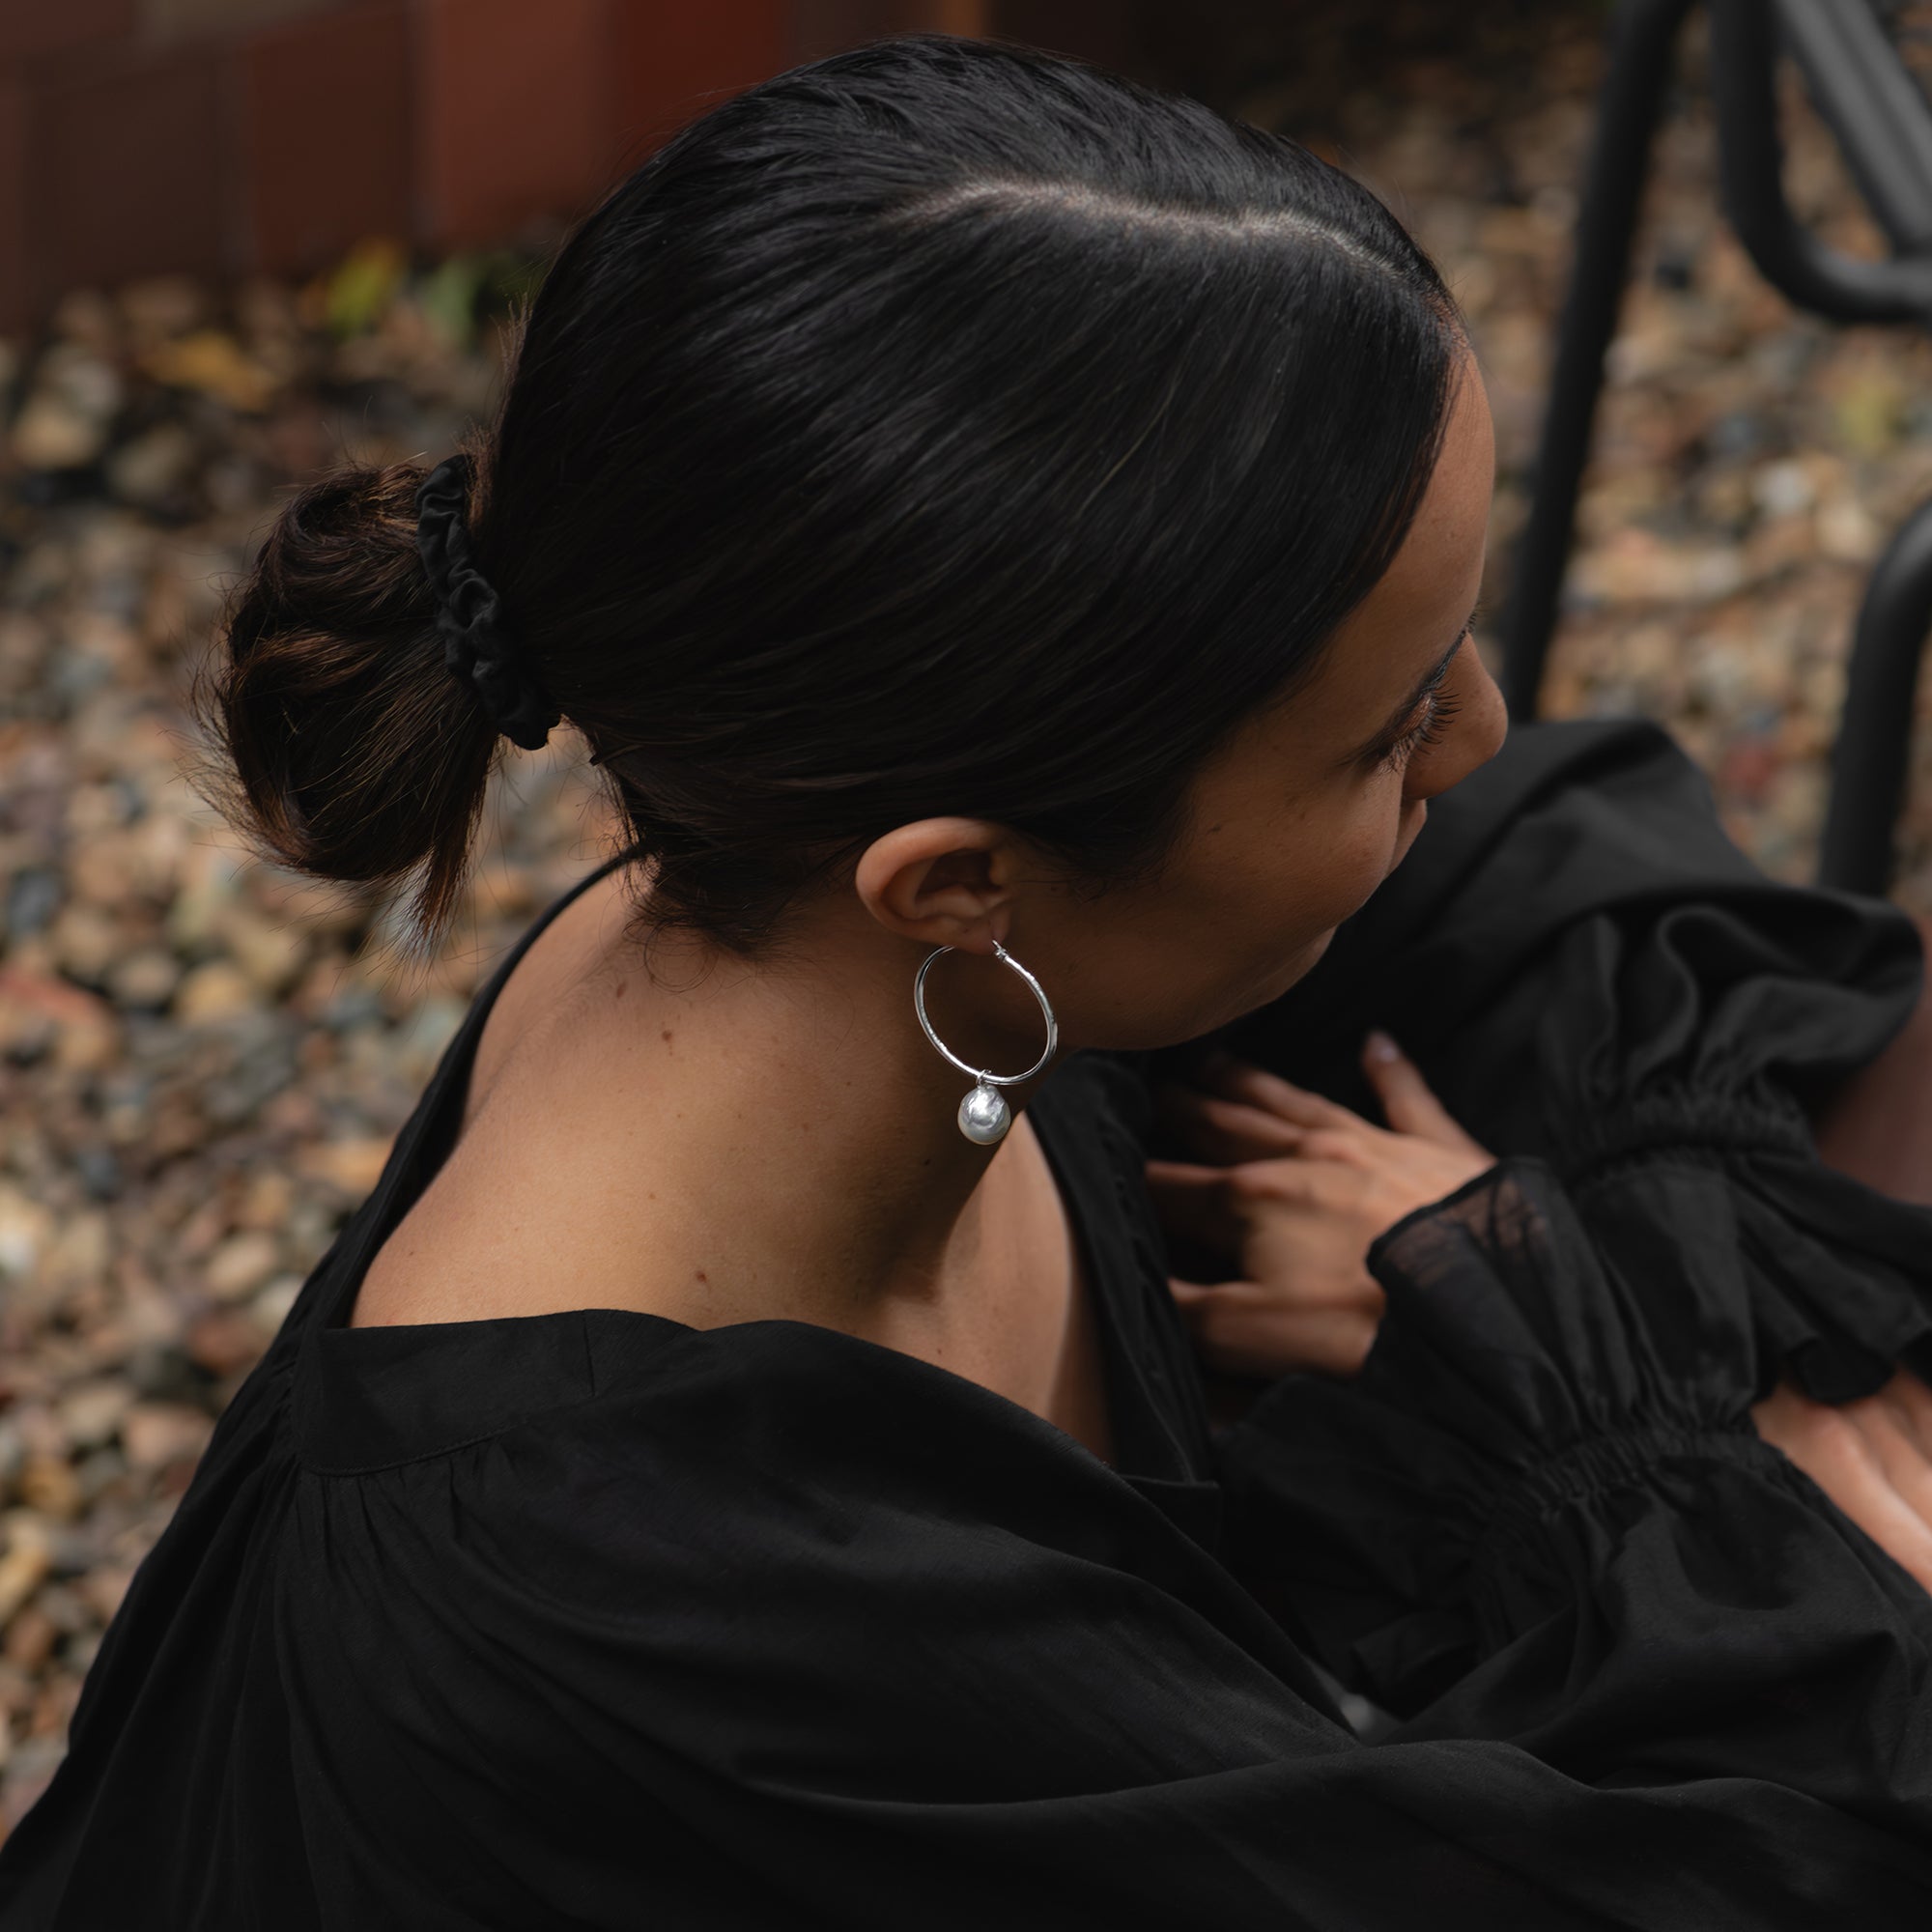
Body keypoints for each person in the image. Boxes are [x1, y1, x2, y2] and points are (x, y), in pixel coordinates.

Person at [5, 32, 1932, 1928]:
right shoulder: (660, 1620)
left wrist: (1607, 1326)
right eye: (1387, 732)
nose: (1485, 735)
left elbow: (1565, 901)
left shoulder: (827, 924)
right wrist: (1615, 1431)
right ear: (960, 884)